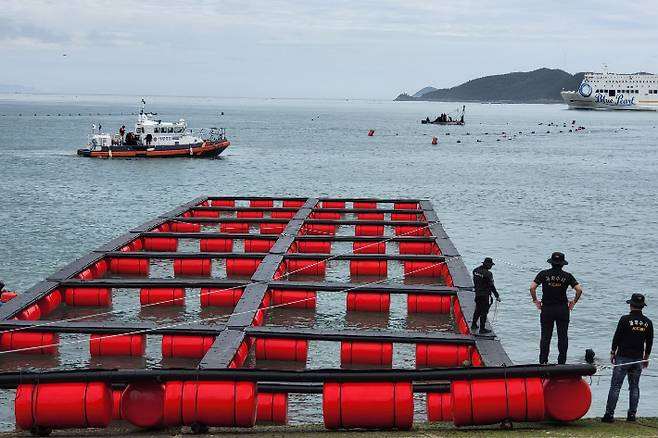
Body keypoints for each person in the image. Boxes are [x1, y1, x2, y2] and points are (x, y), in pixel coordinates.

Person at [602, 293, 653, 423]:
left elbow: (617, 336)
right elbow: (649, 342)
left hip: (623, 357)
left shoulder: (624, 319)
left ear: (631, 305)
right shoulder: (648, 322)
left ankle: (609, 415)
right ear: (642, 307)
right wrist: (645, 358)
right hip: (637, 359)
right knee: (634, 386)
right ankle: (631, 415)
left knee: (616, 386)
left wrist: (613, 352)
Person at [529, 252, 583, 364]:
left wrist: (535, 301)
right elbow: (579, 290)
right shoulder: (567, 276)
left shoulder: (543, 274)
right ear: (563, 264)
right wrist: (574, 302)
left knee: (545, 336)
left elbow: (532, 288)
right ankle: (561, 362)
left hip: (547, 309)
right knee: (562, 336)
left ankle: (543, 362)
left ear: (551, 263)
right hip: (562, 309)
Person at [471, 257, 501, 334]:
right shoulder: (488, 274)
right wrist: (497, 295)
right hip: (484, 295)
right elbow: (491, 286)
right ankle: (482, 329)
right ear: (487, 265)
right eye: (491, 265)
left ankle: (474, 324)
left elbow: (476, 282)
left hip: (477, 294)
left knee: (477, 309)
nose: (491, 266)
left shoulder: (475, 270)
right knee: (484, 312)